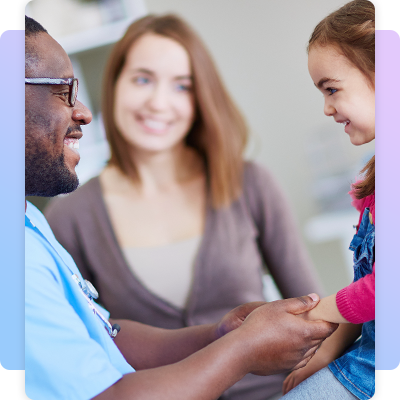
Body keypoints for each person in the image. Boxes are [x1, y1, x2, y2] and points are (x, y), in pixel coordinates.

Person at [24, 15, 338, 400]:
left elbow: (102, 331)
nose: (159, 101)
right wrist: (243, 347)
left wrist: (224, 334)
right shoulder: (68, 215)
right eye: (142, 79)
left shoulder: (249, 183)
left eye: (181, 85)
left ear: (200, 98)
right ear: (115, 85)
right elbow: (100, 366)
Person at [281, 1, 375, 399]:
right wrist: (329, 348)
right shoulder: (373, 182)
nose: (327, 108)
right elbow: (365, 289)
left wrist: (316, 313)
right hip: (369, 354)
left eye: (332, 89)